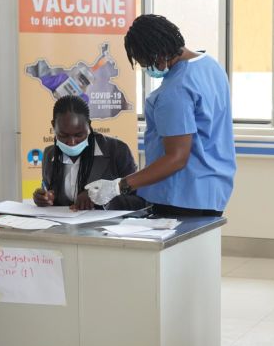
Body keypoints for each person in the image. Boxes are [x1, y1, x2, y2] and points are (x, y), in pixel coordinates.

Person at [32, 95, 146, 346]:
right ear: (52, 129)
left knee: (93, 311)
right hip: (62, 243)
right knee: (55, 307)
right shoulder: (50, 155)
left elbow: (139, 201)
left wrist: (103, 198)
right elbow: (56, 199)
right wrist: (42, 197)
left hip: (103, 244)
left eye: (78, 134)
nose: (71, 140)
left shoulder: (115, 151)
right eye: (63, 134)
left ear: (90, 127)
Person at [90, 14, 236, 217]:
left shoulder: (175, 91)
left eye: (144, 62)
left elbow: (176, 158)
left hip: (182, 195)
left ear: (158, 54)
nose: (146, 68)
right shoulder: (211, 66)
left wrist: (119, 186)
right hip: (214, 190)